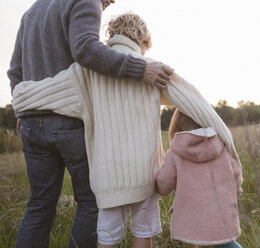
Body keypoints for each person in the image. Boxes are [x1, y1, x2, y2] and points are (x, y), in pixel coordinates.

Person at [12, 11, 242, 248]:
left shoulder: (85, 71)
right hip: (145, 175)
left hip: (107, 178)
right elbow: (196, 102)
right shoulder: (151, 68)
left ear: (111, 35)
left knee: (107, 239)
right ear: (143, 40)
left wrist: (19, 101)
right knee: (143, 234)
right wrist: (228, 143)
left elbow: (43, 92)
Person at [7, 0, 173, 247]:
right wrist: (141, 69)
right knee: (90, 203)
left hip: (31, 123)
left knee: (39, 205)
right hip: (70, 120)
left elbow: (15, 71)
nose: (107, 4)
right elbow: (86, 49)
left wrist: (21, 110)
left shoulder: (32, 11)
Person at [156, 109, 243, 248]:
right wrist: (235, 193)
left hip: (192, 217)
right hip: (221, 212)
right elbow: (236, 175)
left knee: (200, 244)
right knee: (226, 243)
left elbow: (163, 185)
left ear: (175, 126)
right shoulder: (222, 146)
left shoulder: (174, 153)